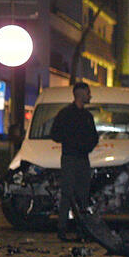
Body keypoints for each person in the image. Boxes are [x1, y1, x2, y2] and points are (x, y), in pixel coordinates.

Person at [50, 82, 98, 241]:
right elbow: (55, 134)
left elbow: (93, 138)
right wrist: (76, 143)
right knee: (69, 194)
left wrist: (83, 146)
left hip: (79, 158)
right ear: (80, 94)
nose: (90, 96)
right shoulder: (68, 114)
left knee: (81, 195)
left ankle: (79, 229)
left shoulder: (85, 116)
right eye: (87, 92)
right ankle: (65, 229)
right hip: (72, 158)